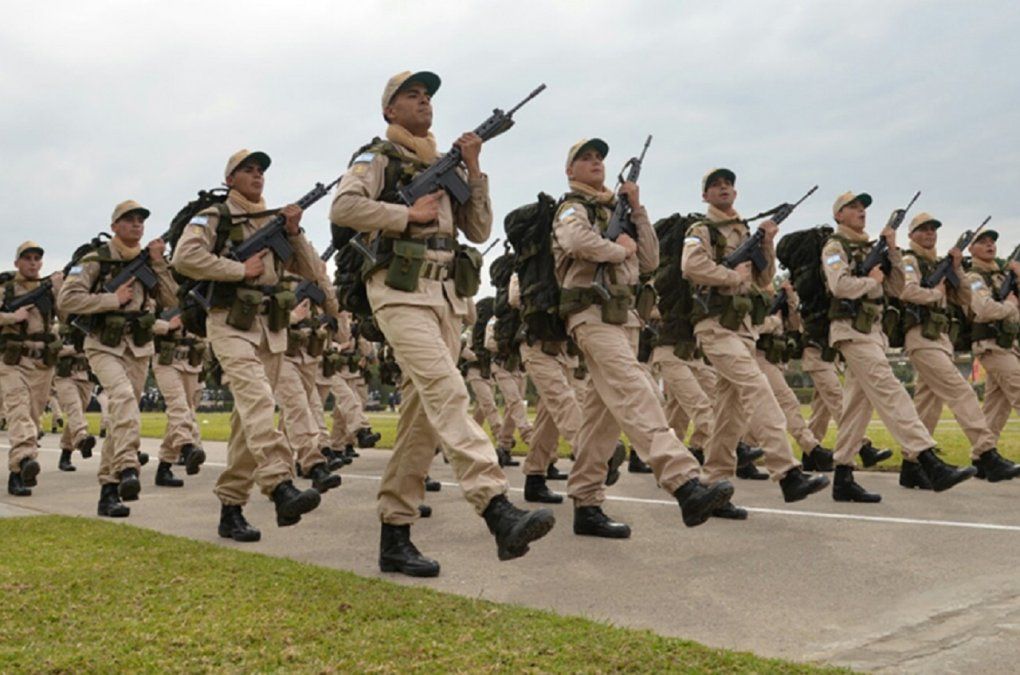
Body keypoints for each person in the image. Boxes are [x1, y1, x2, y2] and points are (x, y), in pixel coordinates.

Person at [329, 70, 555, 576]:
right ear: (390, 110)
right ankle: (496, 506)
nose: (424, 101)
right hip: (398, 291)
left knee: (421, 420)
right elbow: (344, 208)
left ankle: (395, 534)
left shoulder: (442, 165)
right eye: (412, 95)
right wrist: (405, 215)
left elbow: (478, 229)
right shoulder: (377, 158)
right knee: (449, 390)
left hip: (446, 297)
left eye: (428, 95)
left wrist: (474, 170)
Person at [554, 138, 734, 538]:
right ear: (570, 171)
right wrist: (618, 251)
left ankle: (586, 504)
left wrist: (636, 208)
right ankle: (684, 483)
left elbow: (650, 259)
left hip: (622, 318)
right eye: (585, 159)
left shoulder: (615, 212)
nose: (595, 163)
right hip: (591, 315)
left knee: (601, 421)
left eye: (600, 158)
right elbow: (575, 241)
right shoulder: (572, 208)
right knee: (639, 392)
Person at [171, 149, 324, 541]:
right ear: (230, 179)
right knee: (257, 401)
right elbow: (184, 257)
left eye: (261, 171)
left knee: (246, 423)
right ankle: (280, 484)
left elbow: (309, 273)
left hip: (270, 328)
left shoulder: (273, 222)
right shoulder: (215, 216)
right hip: (228, 321)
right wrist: (239, 269)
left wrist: (294, 232)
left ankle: (231, 506)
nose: (257, 176)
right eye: (248, 170)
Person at [682, 168, 828, 517]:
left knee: (729, 413)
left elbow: (763, 279)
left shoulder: (746, 231)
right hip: (715, 325)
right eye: (715, 186)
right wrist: (731, 276)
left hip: (743, 329)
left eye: (728, 185)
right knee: (757, 387)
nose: (723, 189)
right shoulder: (700, 230)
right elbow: (691, 265)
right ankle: (788, 472)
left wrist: (766, 243)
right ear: (705, 196)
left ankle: (713, 486)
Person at [821, 191, 975, 499]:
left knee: (857, 407)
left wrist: (890, 251)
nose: (860, 211)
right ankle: (927, 458)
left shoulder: (870, 249)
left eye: (863, 207)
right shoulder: (835, 247)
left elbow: (897, 288)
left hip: (872, 333)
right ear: (838, 216)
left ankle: (842, 477)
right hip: (851, 331)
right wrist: (871, 281)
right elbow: (840, 286)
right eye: (852, 207)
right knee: (890, 391)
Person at [58, 202, 177, 516]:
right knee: (122, 400)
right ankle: (127, 468)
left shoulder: (149, 262)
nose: (137, 226)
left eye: (140, 221)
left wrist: (160, 263)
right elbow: (67, 298)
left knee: (123, 417)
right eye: (129, 220)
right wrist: (113, 299)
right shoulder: (95, 259)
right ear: (114, 226)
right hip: (103, 345)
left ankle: (108, 493)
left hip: (138, 348)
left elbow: (171, 300)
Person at [899, 214, 1020, 482]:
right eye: (923, 229)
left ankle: (911, 466)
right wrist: (935, 293)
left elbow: (967, 299)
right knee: (961, 391)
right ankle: (986, 453)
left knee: (928, 406)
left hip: (940, 340)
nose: (930, 233)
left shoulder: (941, 265)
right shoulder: (910, 261)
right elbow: (907, 291)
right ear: (911, 235)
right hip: (922, 336)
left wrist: (958, 270)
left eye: (933, 229)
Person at [1, 242, 62, 496]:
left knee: (34, 418)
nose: (33, 263)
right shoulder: (6, 288)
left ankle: (20, 471)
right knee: (19, 411)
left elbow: (70, 316)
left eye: (37, 258)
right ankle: (24, 462)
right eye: (27, 258)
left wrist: (62, 290)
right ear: (17, 263)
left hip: (42, 363)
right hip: (12, 361)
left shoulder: (48, 290)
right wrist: (11, 318)